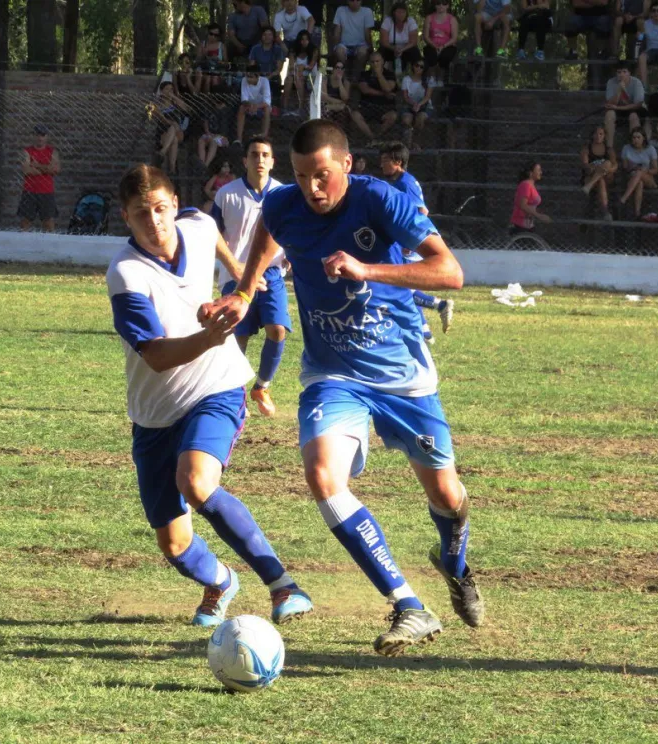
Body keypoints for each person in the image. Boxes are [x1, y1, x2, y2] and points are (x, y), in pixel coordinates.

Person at [199, 119, 484, 657]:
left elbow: (450, 272)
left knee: (448, 497)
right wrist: (243, 291)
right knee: (322, 477)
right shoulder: (284, 204)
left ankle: (454, 564)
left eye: (322, 175)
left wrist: (367, 269)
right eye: (303, 176)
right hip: (333, 374)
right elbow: (268, 232)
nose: (312, 188)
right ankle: (408, 605)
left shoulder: (382, 200)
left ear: (347, 165)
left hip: (403, 375)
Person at [106, 163, 313, 628]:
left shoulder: (196, 226)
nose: (155, 221)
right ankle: (221, 580)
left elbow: (219, 231)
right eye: (142, 214)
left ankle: (283, 586)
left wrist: (240, 276)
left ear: (175, 205)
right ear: (126, 217)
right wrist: (214, 333)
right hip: (155, 411)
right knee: (174, 544)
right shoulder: (125, 274)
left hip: (215, 386)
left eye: (161, 209)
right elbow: (156, 356)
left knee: (196, 482)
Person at [212, 138, 290, 418]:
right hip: (237, 273)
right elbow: (215, 236)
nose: (260, 159)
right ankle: (233, 394)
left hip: (271, 271)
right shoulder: (227, 194)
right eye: (254, 154)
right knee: (239, 337)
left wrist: (291, 253)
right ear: (244, 160)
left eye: (265, 155)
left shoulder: (284, 194)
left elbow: (293, 230)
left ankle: (262, 387)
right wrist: (232, 267)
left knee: (278, 329)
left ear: (272, 161)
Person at [379, 141, 454, 341]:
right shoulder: (397, 182)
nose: (382, 165)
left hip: (412, 240)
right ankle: (425, 333)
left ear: (398, 162)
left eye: (386, 160)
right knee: (404, 287)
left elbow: (421, 211)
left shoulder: (406, 182)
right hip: (406, 240)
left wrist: (408, 240)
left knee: (403, 288)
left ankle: (440, 305)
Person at [18, 125, 61, 232]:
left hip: (46, 191)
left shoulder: (53, 152)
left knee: (48, 224)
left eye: (43, 135)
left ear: (46, 137)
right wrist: (46, 168)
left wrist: (36, 165)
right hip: (29, 191)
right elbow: (26, 170)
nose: (40, 138)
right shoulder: (27, 151)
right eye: (37, 135)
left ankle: (49, 247)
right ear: (33, 136)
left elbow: (55, 169)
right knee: (25, 223)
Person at [357, 51, 399, 140]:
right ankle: (372, 137)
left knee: (393, 116)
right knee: (355, 114)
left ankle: (378, 137)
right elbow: (365, 89)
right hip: (367, 106)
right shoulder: (364, 74)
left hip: (385, 107)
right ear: (369, 62)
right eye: (372, 62)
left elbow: (388, 88)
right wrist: (383, 94)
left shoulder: (390, 74)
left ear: (382, 61)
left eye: (377, 61)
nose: (375, 64)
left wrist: (379, 74)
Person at [604, 61, 647, 146]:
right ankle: (609, 147)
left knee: (633, 116)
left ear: (629, 73)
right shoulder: (611, 82)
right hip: (618, 110)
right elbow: (610, 103)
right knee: (609, 114)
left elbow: (637, 104)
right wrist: (619, 91)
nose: (621, 74)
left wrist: (617, 108)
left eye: (624, 72)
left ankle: (635, 147)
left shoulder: (636, 83)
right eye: (619, 72)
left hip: (634, 110)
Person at [152, 82, 190, 176]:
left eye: (171, 89)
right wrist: (172, 123)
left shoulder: (175, 103)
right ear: (161, 91)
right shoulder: (157, 104)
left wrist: (174, 97)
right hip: (163, 132)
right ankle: (172, 169)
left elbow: (187, 109)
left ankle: (162, 153)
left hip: (179, 132)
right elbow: (161, 118)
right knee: (174, 139)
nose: (169, 91)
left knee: (175, 133)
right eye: (167, 89)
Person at [619, 127, 658, 218]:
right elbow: (625, 167)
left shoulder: (650, 149)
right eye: (634, 137)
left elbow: (656, 169)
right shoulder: (626, 148)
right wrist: (632, 167)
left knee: (639, 172)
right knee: (639, 182)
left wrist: (645, 170)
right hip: (632, 176)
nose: (636, 140)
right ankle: (637, 213)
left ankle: (623, 199)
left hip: (648, 178)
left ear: (643, 138)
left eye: (638, 137)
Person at [581, 126, 618, 220]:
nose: (598, 136)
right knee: (600, 180)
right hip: (590, 176)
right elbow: (586, 166)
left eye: (601, 134)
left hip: (607, 177)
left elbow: (614, 165)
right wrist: (601, 169)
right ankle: (605, 211)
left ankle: (589, 186)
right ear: (592, 135)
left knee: (608, 163)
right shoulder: (586, 149)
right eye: (596, 134)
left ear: (604, 136)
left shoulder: (609, 150)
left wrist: (605, 169)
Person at [332, 0, 376, 77]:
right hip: (344, 44)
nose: (355, 2)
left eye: (357, 0)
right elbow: (337, 31)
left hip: (361, 45)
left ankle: (357, 78)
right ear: (347, 1)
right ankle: (345, 76)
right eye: (352, 0)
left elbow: (367, 33)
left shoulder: (367, 12)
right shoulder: (340, 10)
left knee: (363, 52)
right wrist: (335, 47)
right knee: (339, 51)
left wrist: (371, 48)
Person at [283, 30, 320, 115]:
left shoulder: (314, 50)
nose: (304, 41)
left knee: (298, 77)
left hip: (310, 76)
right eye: (302, 39)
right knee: (289, 79)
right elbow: (291, 66)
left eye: (306, 39)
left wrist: (302, 67)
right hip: (295, 74)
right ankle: (284, 107)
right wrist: (298, 69)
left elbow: (310, 66)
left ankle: (301, 108)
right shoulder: (293, 51)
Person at [422, 1, 460, 83]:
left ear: (448, 6)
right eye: (438, 3)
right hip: (432, 45)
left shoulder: (452, 19)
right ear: (435, 5)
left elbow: (454, 38)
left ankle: (441, 79)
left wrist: (443, 46)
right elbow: (425, 36)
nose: (441, 6)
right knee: (431, 57)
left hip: (448, 46)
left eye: (444, 3)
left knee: (445, 57)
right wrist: (434, 46)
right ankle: (431, 78)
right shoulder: (429, 18)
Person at [236, 64, 273, 147]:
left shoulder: (264, 81)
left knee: (267, 109)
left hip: (262, 107)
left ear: (257, 76)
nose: (248, 78)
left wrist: (257, 106)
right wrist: (251, 106)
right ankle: (239, 139)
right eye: (247, 76)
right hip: (249, 106)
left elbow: (267, 102)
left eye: (251, 76)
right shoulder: (244, 80)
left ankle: (264, 135)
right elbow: (244, 99)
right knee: (241, 108)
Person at [250, 26, 287, 106]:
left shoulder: (278, 49)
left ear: (273, 37)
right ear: (261, 36)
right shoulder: (255, 49)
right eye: (264, 35)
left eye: (270, 35)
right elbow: (251, 66)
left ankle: (275, 106)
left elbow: (278, 69)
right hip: (258, 76)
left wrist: (268, 77)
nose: (267, 37)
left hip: (272, 76)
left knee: (275, 83)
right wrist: (258, 77)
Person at [379, 1, 421, 72]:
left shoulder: (410, 21)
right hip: (390, 48)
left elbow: (413, 42)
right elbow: (384, 42)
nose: (401, 14)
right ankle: (378, 74)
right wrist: (394, 48)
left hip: (407, 48)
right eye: (398, 12)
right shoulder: (388, 21)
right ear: (394, 13)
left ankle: (417, 75)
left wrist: (402, 49)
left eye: (403, 12)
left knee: (415, 53)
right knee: (380, 53)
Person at [400, 61, 433, 147]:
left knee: (420, 119)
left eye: (421, 67)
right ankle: (407, 145)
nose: (418, 68)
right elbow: (406, 97)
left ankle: (416, 143)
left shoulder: (430, 79)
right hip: (409, 105)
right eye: (417, 65)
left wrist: (419, 105)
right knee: (406, 120)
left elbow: (428, 96)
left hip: (425, 106)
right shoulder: (406, 79)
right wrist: (414, 104)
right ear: (413, 66)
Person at [510, 162, 550, 233]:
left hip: (528, 224)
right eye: (538, 170)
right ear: (530, 173)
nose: (541, 172)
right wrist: (539, 216)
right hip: (520, 225)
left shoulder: (531, 185)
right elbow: (523, 205)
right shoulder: (526, 185)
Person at [195, 23, 228, 93]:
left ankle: (213, 100)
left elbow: (226, 63)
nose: (213, 37)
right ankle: (203, 99)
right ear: (207, 33)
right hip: (204, 70)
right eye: (211, 34)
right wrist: (204, 55)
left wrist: (219, 61)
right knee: (207, 78)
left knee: (214, 79)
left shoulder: (222, 46)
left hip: (217, 71)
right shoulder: (202, 45)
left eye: (216, 35)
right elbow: (197, 62)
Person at [322, 58, 353, 129]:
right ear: (333, 69)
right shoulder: (325, 79)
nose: (340, 70)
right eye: (337, 68)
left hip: (340, 108)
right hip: (329, 106)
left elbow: (345, 98)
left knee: (344, 112)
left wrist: (339, 81)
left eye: (342, 68)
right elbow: (324, 97)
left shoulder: (346, 82)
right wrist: (340, 102)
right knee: (326, 110)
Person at [197, 102, 230, 168]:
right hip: (209, 134)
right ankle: (202, 164)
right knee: (201, 141)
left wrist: (214, 136)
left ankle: (206, 165)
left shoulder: (225, 112)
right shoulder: (210, 109)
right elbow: (205, 122)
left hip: (220, 136)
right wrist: (208, 132)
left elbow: (223, 132)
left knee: (213, 142)